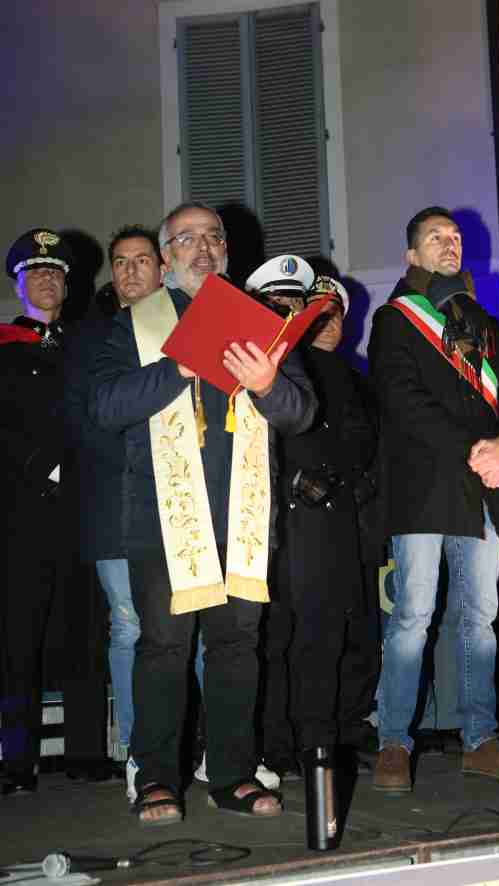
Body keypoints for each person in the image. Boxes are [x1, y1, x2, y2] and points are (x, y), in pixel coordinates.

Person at [88, 201, 317, 826]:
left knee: (238, 645)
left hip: (243, 517)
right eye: (187, 239)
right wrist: (178, 366)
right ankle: (157, 778)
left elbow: (301, 413)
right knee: (164, 647)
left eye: (214, 237)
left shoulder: (263, 322)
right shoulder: (133, 326)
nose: (205, 248)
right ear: (165, 260)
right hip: (164, 520)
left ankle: (233, 774)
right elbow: (105, 407)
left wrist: (268, 384)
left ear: (227, 250)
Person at [368, 206, 499, 792]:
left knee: (480, 618)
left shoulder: (482, 321)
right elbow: (401, 400)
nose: (450, 244)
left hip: (483, 488)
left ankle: (479, 737)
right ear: (412, 255)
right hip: (423, 488)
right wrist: (477, 449)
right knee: (412, 617)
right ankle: (393, 740)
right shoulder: (395, 319)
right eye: (436, 237)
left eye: (456, 237)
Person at [246, 257, 380, 777]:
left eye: (296, 304)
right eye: (278, 303)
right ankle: (274, 745)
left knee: (322, 637)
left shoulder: (341, 373)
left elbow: (361, 443)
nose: (290, 311)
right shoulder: (251, 359)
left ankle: (317, 745)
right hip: (266, 520)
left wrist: (336, 481)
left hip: (326, 522)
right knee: (272, 639)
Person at [0, 229, 109, 795]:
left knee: (85, 627)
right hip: (22, 514)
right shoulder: (2, 347)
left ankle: (86, 752)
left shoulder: (87, 346)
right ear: (18, 285)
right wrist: (44, 466)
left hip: (83, 509)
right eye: (35, 272)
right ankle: (16, 760)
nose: (46, 280)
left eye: (55, 273)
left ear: (68, 285)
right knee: (18, 635)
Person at [63, 226, 162, 796]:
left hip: (181, 504)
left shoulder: (183, 326)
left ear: (161, 267)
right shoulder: (89, 338)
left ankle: (205, 747)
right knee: (129, 625)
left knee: (195, 628)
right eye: (120, 262)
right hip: (115, 502)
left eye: (141, 260)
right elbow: (83, 422)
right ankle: (136, 752)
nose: (130, 271)